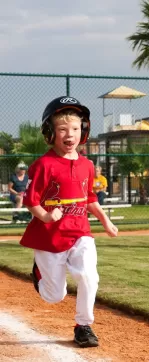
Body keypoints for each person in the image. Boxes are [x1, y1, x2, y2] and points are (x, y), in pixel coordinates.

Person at [19, 96, 118, 348]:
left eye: (75, 128)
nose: (69, 134)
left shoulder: (87, 164)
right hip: (50, 237)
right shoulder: (43, 165)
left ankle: (83, 326)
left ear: (83, 132)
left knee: (88, 276)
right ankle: (40, 273)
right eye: (62, 129)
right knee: (55, 296)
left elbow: (90, 199)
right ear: (50, 133)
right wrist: (45, 215)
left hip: (80, 232)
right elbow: (31, 200)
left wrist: (105, 220)